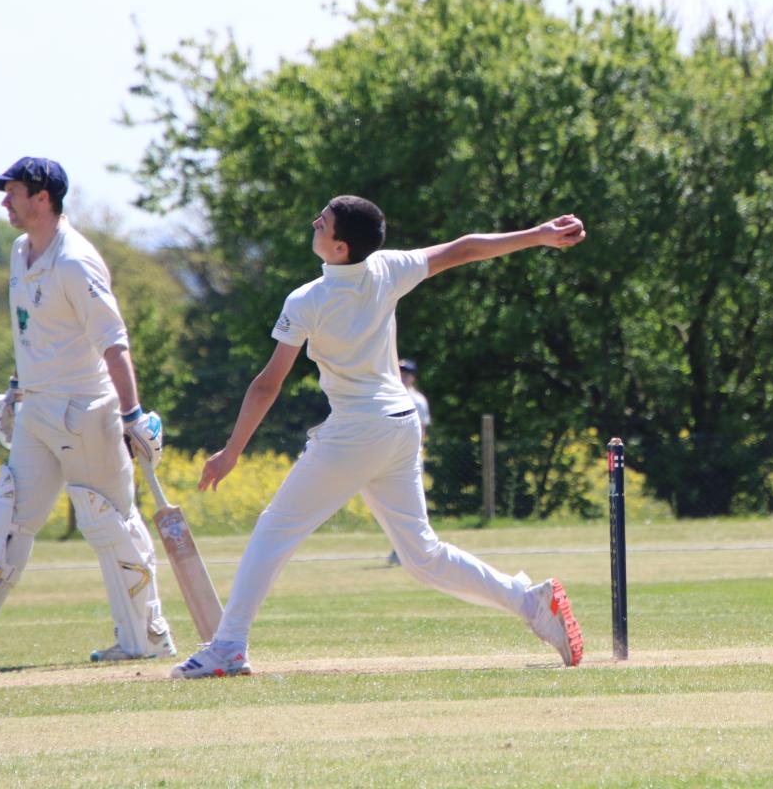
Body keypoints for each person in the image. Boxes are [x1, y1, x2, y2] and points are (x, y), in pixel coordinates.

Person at [170, 196, 586, 678]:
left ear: (340, 247)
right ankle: (532, 602)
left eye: (323, 222)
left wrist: (231, 451)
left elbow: (268, 385)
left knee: (274, 530)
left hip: (357, 431)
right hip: (399, 425)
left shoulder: (306, 300)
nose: (315, 222)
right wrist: (537, 235)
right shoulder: (388, 268)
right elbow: (465, 248)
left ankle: (227, 647)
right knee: (423, 556)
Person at [0, 157, 174, 667]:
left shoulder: (75, 261)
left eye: (13, 192)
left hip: (84, 410)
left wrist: (132, 415)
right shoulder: (20, 252)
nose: (4, 201)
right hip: (37, 409)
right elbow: (30, 330)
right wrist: (17, 387)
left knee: (108, 520)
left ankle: (145, 636)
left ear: (43, 197)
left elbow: (113, 341)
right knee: (6, 515)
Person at [385, 357, 430, 567]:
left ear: (413, 377)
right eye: (400, 372)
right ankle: (400, 548)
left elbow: (422, 430)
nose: (402, 376)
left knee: (412, 505)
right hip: (387, 455)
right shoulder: (388, 395)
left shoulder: (418, 400)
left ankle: (410, 550)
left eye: (406, 373)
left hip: (411, 456)